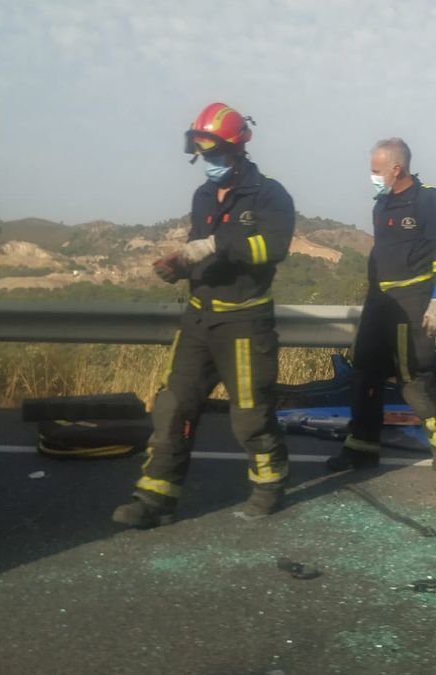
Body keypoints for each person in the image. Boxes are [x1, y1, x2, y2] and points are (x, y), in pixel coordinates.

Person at [113, 102, 294, 528]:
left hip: (244, 324)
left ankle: (269, 484)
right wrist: (178, 268)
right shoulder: (201, 196)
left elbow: (274, 248)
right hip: (198, 320)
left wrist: (216, 244)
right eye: (202, 154)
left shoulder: (269, 194)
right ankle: (155, 499)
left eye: (213, 153)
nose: (207, 162)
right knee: (173, 407)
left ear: (236, 150)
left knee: (250, 414)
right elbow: (199, 251)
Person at [326, 138, 436, 472]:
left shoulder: (428, 199)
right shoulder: (381, 204)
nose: (372, 176)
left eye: (376, 170)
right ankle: (361, 448)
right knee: (364, 373)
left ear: (396, 168)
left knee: (413, 375)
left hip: (413, 300)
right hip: (380, 302)